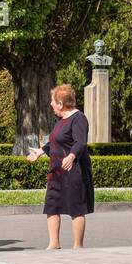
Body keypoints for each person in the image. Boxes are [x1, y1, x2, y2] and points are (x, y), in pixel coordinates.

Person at [26, 84, 94, 249]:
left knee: (76, 207)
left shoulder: (78, 118)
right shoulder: (61, 121)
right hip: (56, 172)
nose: (51, 104)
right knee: (52, 205)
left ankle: (78, 246)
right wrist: (41, 152)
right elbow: (55, 142)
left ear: (61, 104)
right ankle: (53, 244)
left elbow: (80, 142)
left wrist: (71, 155)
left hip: (74, 171)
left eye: (53, 101)